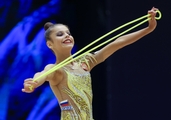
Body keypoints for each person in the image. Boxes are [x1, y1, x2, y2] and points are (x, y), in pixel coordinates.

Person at [22, 7, 158, 120]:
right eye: (60, 34)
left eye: (68, 33)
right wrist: (34, 82)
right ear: (49, 44)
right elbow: (43, 74)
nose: (67, 36)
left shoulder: (85, 61)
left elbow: (118, 42)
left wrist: (148, 29)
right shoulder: (56, 70)